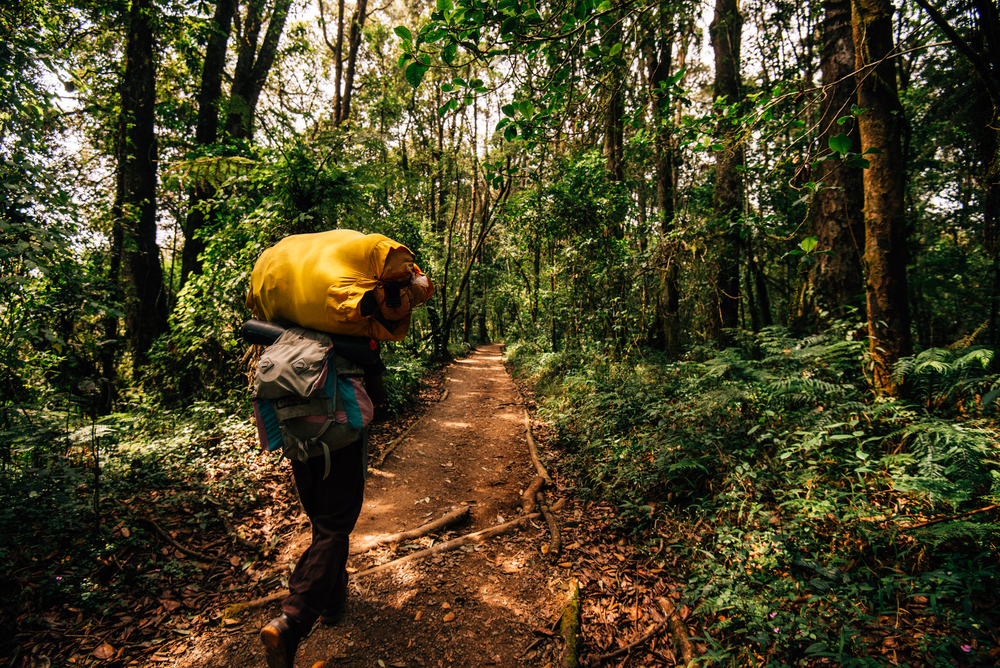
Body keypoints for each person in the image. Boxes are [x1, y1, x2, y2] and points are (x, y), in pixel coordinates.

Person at [259, 341, 386, 668]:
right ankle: (292, 620)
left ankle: (332, 600)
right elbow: (377, 391)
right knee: (334, 525)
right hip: (340, 437)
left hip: (296, 436)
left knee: (322, 522)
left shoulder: (285, 334)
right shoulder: (350, 330)